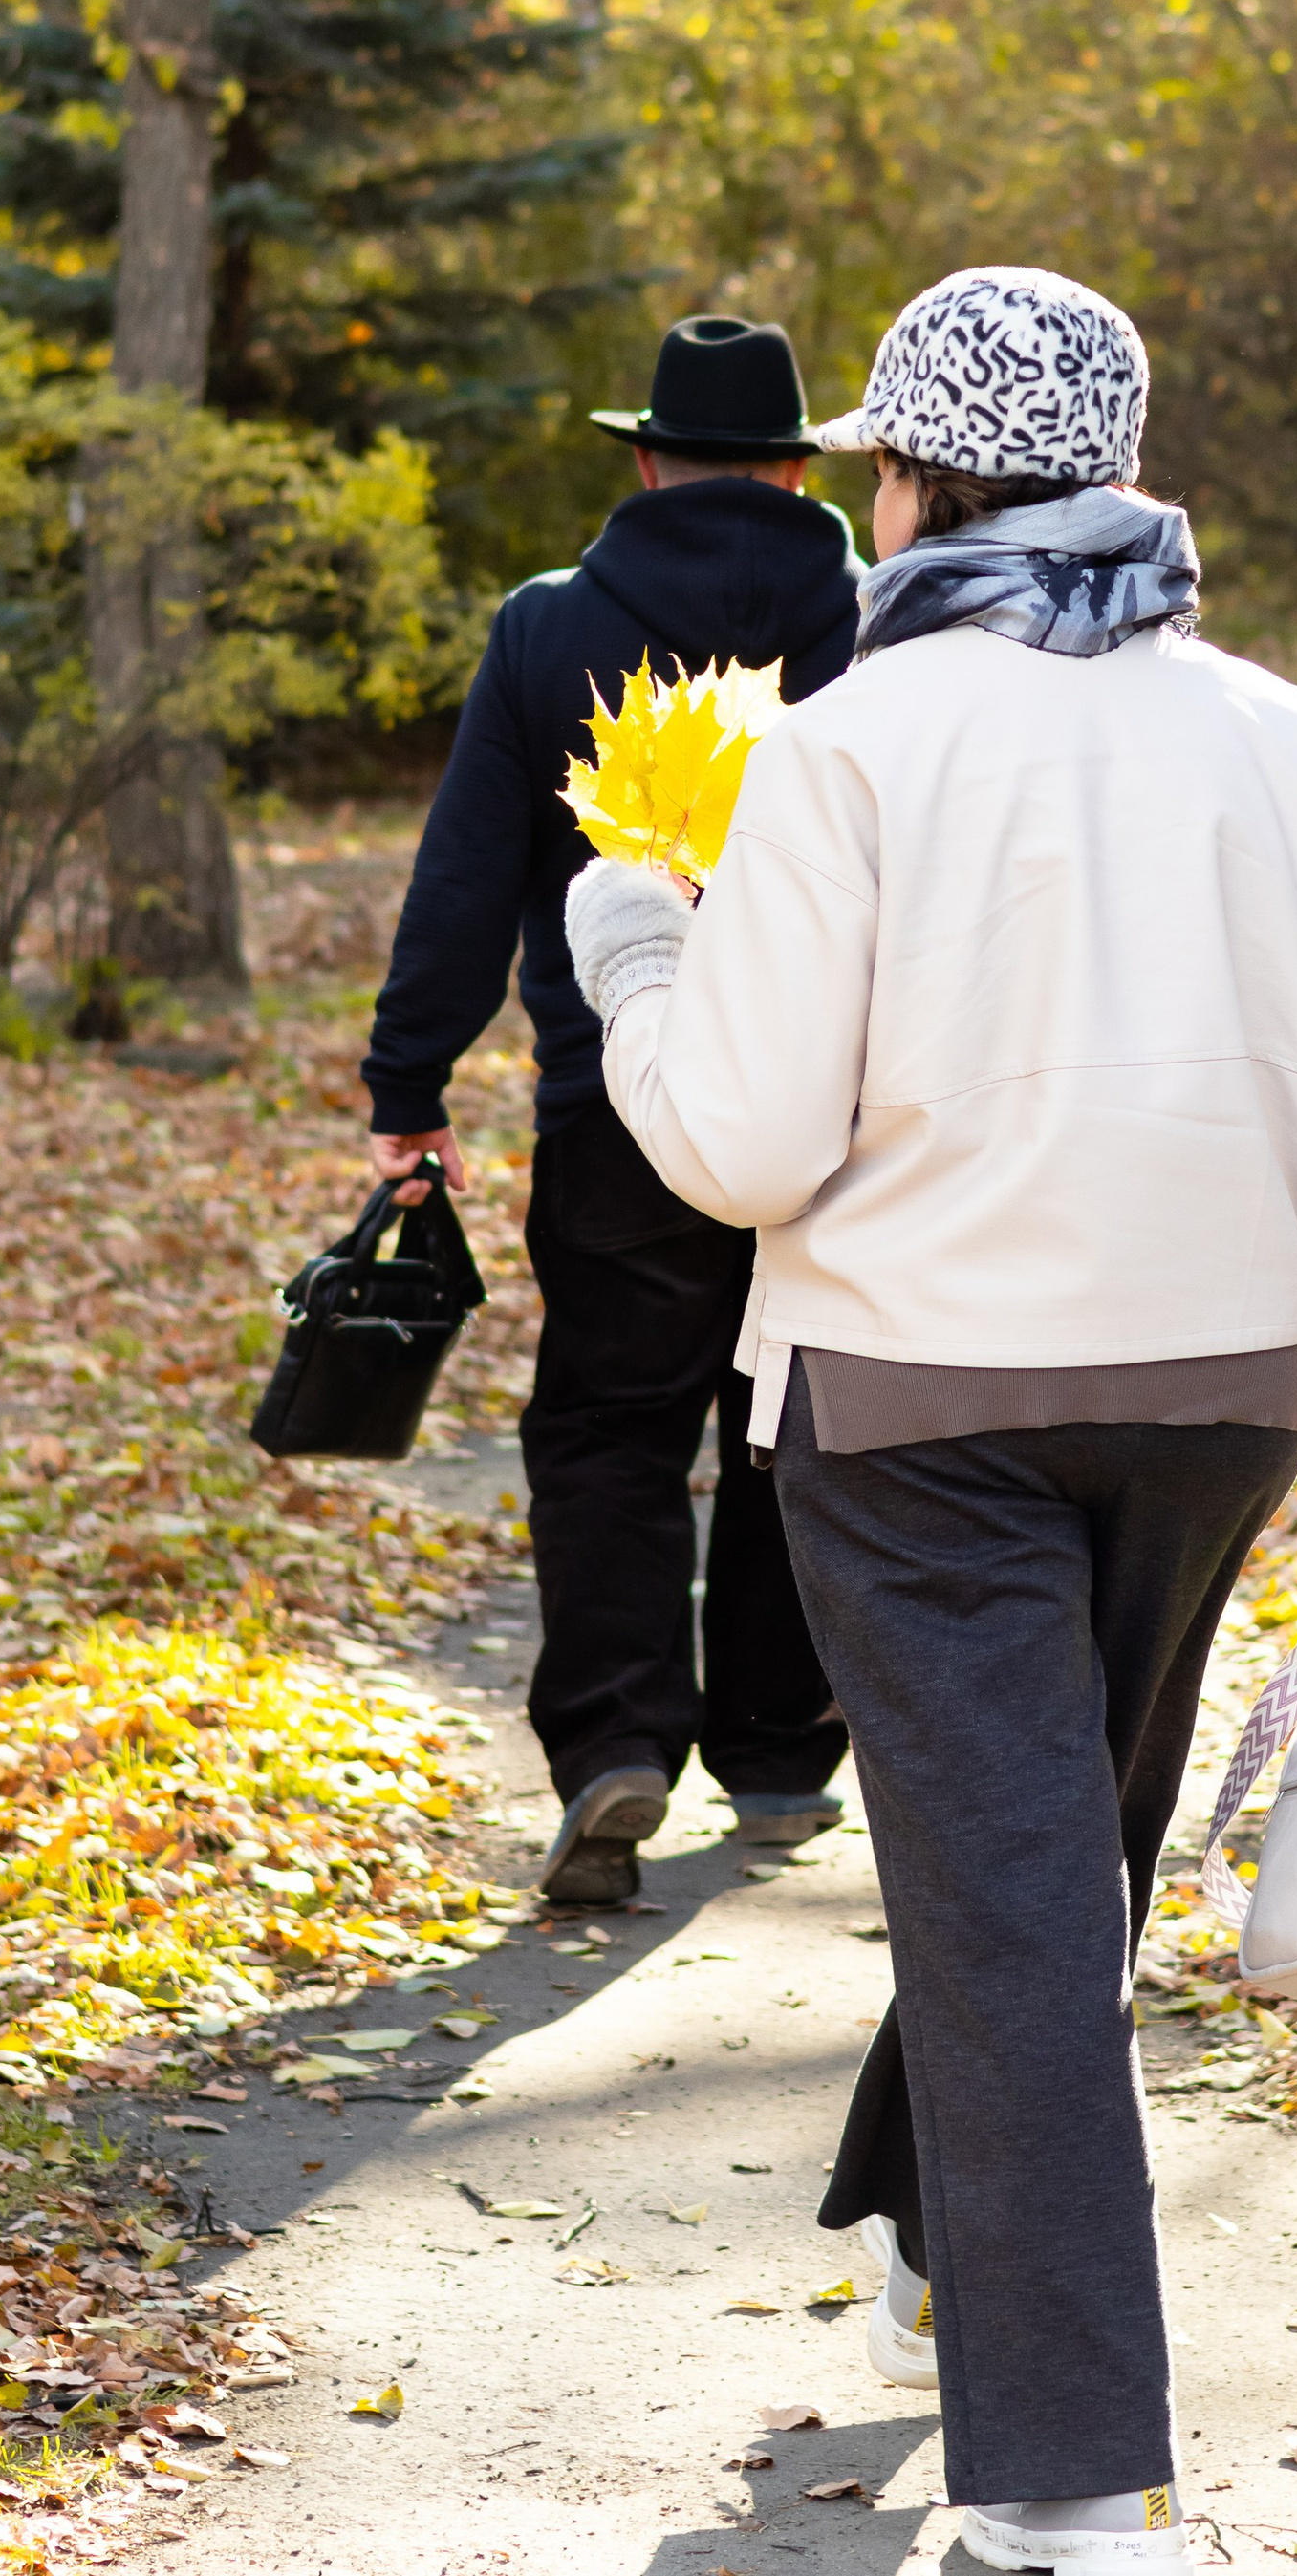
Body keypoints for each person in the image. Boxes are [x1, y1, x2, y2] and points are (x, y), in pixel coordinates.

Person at [560, 265, 1297, 2576]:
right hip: (1207, 1405)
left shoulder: (854, 746)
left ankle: (1072, 2497)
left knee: (1010, 1903)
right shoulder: (1275, 731)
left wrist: (634, 962)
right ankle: (922, 2233)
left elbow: (744, 1148)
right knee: (1036, 1877)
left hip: (913, 1416)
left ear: (911, 482)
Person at [362, 313, 864, 1906]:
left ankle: (614, 1740)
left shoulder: (548, 628)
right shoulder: (880, 625)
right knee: (795, 1426)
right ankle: (783, 1754)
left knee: (607, 1426)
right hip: (836, 1104)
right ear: (797, 468)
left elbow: (463, 877)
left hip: (619, 1102)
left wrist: (408, 1084)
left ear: (644, 459)